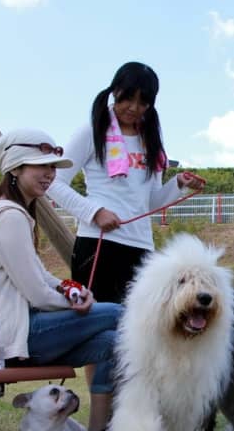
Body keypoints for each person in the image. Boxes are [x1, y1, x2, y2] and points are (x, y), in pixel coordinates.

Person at [0, 128, 121, 431]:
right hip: (9, 336)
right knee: (120, 314)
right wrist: (75, 301)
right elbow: (36, 294)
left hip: (7, 334)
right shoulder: (10, 217)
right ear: (15, 169)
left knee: (112, 342)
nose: (49, 174)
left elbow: (40, 276)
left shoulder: (10, 212)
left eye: (53, 166)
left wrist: (70, 288)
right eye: (39, 165)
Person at [47, 61, 204, 303]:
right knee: (97, 322)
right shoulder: (91, 133)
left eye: (143, 102)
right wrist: (95, 212)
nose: (133, 107)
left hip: (141, 246)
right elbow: (54, 183)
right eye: (127, 98)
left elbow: (150, 204)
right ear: (115, 92)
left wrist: (179, 184)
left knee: (138, 328)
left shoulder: (150, 143)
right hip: (99, 243)